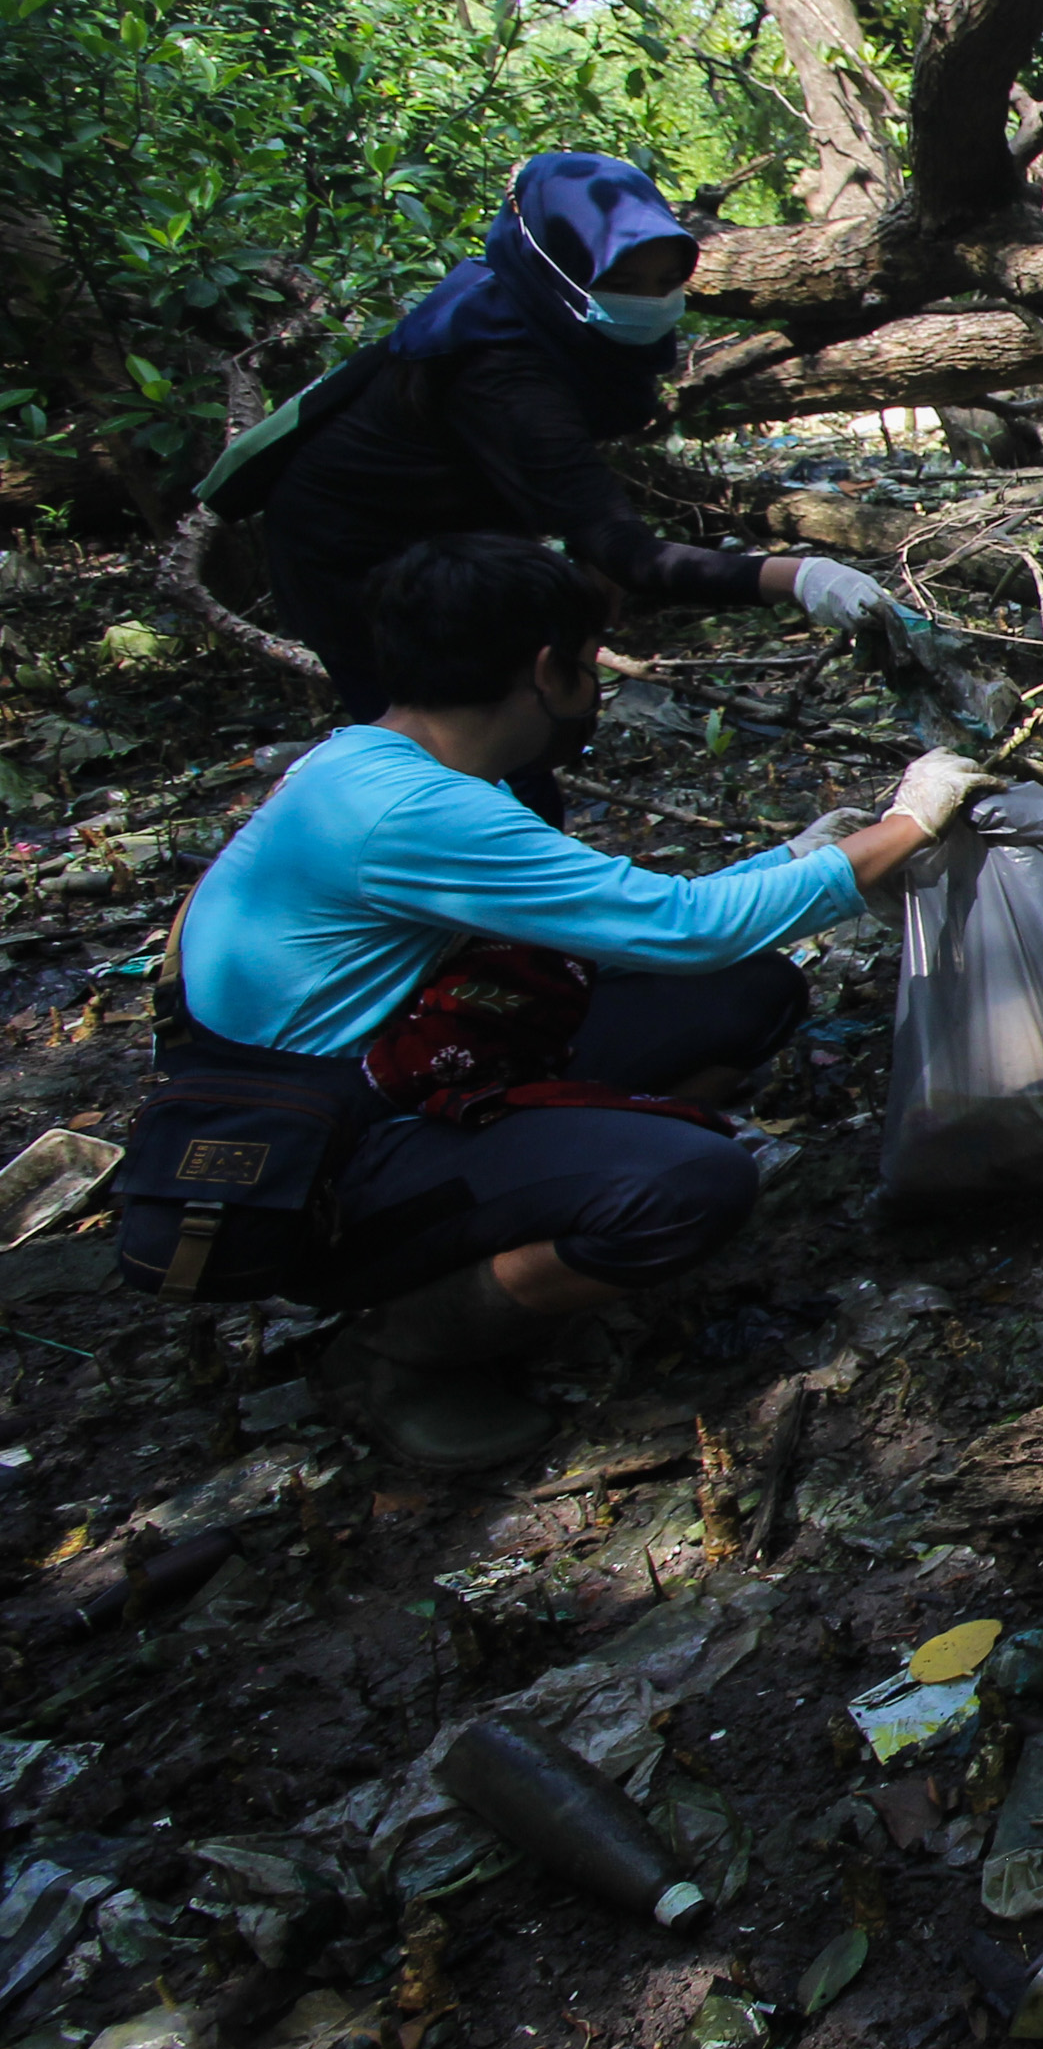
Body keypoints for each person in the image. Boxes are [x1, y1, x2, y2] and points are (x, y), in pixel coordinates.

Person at [113, 534, 991, 1468]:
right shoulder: (419, 811)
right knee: (693, 1185)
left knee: (747, 992)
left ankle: (563, 1204)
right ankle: (400, 1350)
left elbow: (629, 923)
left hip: (392, 1069)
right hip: (322, 1164)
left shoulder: (367, 764)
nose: (595, 689)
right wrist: (904, 826)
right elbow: (688, 927)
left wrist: (799, 859)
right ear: (545, 668)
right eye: (588, 664)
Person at [248, 152, 901, 821]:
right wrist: (804, 578)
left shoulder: (542, 315)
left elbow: (566, 484)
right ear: (559, 266)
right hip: (351, 552)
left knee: (518, 731)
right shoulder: (500, 364)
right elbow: (630, 551)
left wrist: (588, 556)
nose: (647, 300)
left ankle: (520, 866)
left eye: (665, 280)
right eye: (624, 279)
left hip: (462, 527)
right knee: (466, 739)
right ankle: (498, 888)